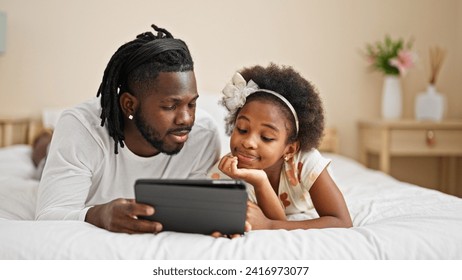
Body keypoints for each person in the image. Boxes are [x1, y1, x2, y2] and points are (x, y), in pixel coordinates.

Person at [35, 24, 221, 234]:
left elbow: (196, 208)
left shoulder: (203, 134)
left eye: (192, 104)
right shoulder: (81, 127)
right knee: (43, 157)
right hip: (63, 147)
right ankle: (43, 140)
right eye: (170, 106)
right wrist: (99, 215)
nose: (186, 119)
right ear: (129, 105)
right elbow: (49, 215)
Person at [208, 63, 352, 230]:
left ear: (290, 149)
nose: (248, 142)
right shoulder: (225, 174)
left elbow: (342, 222)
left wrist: (268, 225)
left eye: (267, 137)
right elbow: (277, 220)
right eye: (242, 129)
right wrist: (260, 182)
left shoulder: (306, 162)